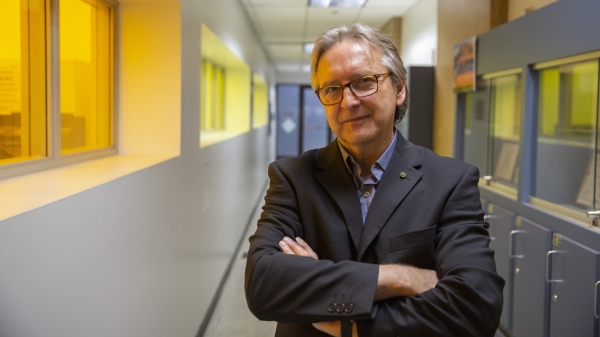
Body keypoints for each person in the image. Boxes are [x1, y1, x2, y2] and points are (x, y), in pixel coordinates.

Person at [244, 23, 504, 337]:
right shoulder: (293, 178)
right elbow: (263, 284)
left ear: (400, 89)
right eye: (332, 88)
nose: (348, 101)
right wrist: (399, 278)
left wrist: (352, 326)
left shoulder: (450, 182)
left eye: (364, 81)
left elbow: (476, 306)